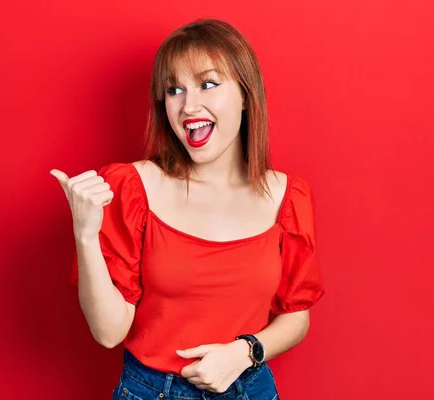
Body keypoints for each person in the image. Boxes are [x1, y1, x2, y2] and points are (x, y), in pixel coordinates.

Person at [51, 18, 325, 400]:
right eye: (174, 90)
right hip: (151, 391)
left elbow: (297, 316)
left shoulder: (288, 197)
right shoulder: (131, 188)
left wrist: (244, 352)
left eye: (207, 84)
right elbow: (108, 331)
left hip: (251, 390)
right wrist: (84, 233)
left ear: (246, 95)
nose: (188, 105)